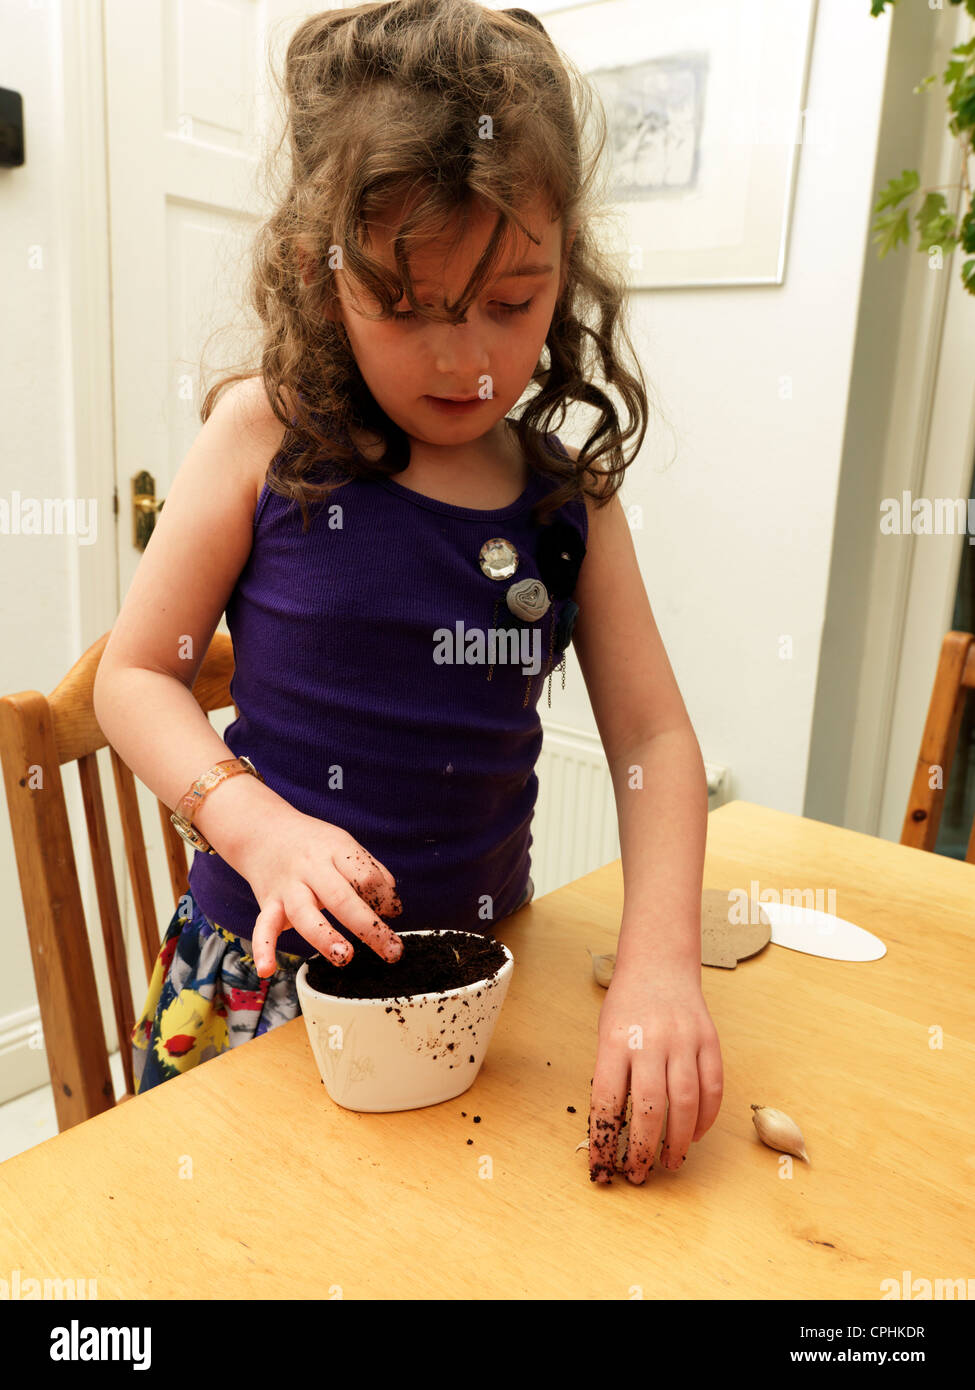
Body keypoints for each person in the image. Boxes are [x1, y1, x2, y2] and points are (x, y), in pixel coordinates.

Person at [93, 0, 722, 1184]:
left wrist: (659, 961)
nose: (465, 358)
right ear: (316, 271)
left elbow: (654, 738)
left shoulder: (564, 502)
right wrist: (258, 825)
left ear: (566, 270)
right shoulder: (259, 439)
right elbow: (135, 678)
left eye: (509, 301)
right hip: (258, 987)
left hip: (473, 989)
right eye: (408, 304)